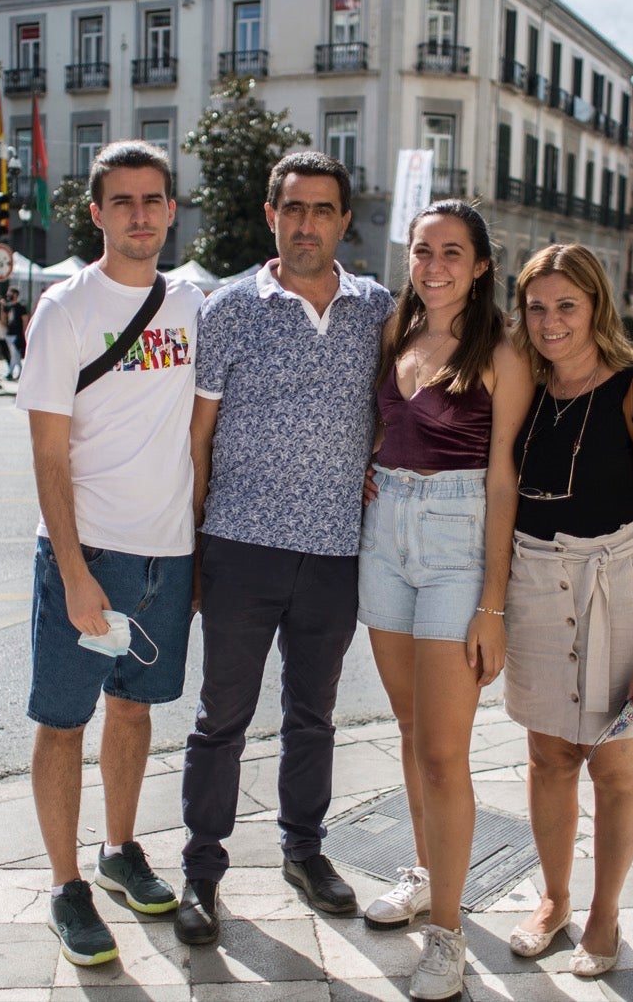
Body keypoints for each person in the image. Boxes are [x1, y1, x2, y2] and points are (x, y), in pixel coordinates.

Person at [176, 152, 395, 946]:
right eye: (293, 209)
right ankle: (202, 870)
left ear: (345, 221)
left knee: (314, 715)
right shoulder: (228, 309)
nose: (307, 224)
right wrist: (193, 549)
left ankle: (304, 850)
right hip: (239, 546)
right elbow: (198, 437)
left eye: (322, 210)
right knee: (221, 717)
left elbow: (404, 401)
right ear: (271, 216)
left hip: (335, 552)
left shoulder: (377, 309)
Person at [17, 140, 201, 967]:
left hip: (170, 554)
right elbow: (47, 454)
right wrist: (74, 572)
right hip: (88, 554)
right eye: (121, 200)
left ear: (171, 209)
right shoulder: (65, 310)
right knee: (63, 723)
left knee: (135, 709)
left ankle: (119, 850)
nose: (139, 213)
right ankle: (66, 885)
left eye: (152, 198)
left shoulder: (191, 303)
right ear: (95, 213)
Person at [503, 243, 633, 979]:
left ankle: (604, 912)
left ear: (596, 308)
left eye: (566, 306)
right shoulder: (523, 391)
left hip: (622, 593)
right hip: (535, 587)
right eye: (536, 307)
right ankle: (554, 901)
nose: (550, 321)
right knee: (548, 757)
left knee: (613, 766)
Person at [356, 200, 529, 1000]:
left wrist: (493, 603)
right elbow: (380, 429)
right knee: (408, 725)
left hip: (460, 542)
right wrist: (372, 467)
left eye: (453, 252)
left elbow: (505, 477)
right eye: (423, 250)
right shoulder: (395, 331)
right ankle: (426, 874)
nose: (434, 266)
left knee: (442, 751)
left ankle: (448, 935)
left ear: (482, 264)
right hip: (384, 534)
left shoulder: (502, 348)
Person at [4, 288, 28, 380]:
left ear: (15, 295)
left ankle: (10, 372)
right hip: (9, 333)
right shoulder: (8, 306)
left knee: (14, 354)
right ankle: (21, 371)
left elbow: (25, 320)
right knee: (15, 354)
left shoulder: (21, 307)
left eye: (10, 294)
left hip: (17, 333)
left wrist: (24, 333)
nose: (8, 296)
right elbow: (4, 318)